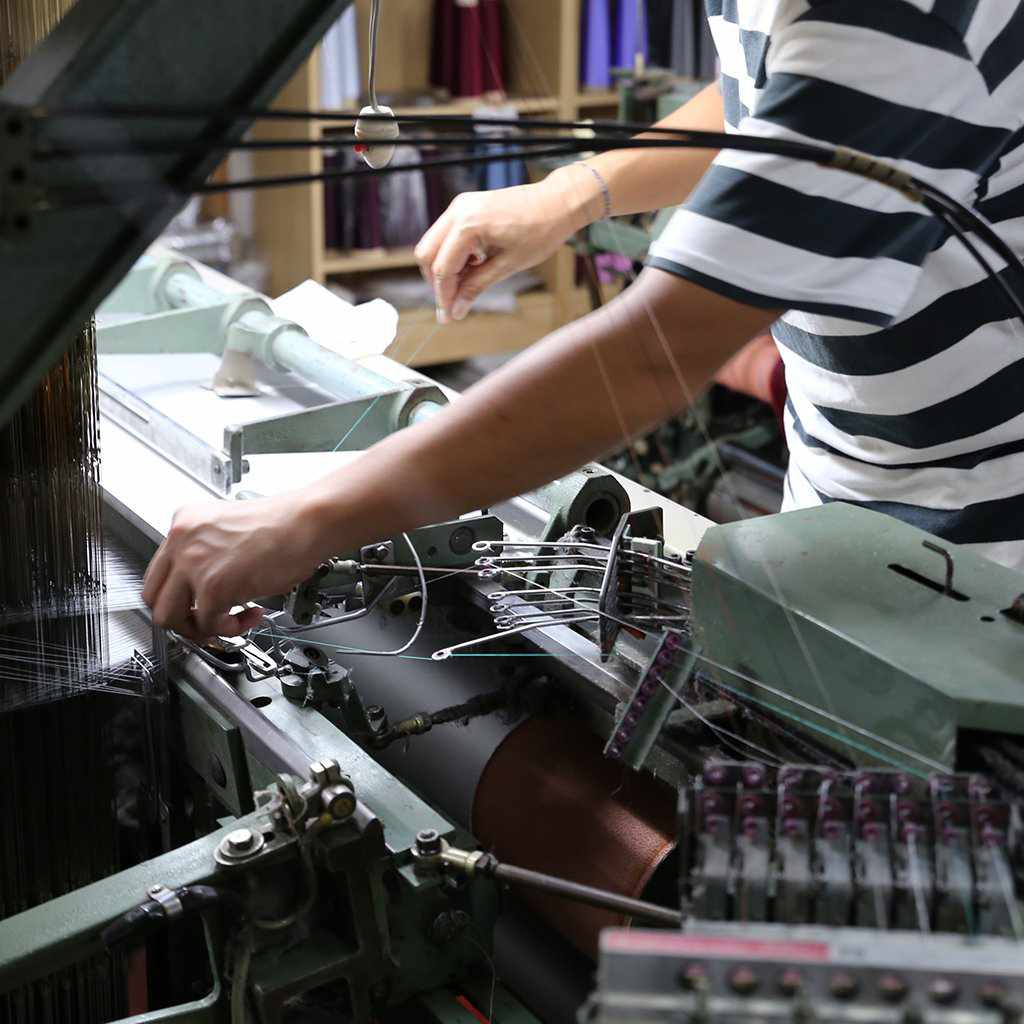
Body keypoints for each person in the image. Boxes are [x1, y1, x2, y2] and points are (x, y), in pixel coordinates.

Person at [144, 1, 1024, 638]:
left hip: (986, 549)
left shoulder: (902, 18)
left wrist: (304, 521)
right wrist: (569, 193)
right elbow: (759, 95)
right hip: (848, 487)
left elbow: (651, 355)